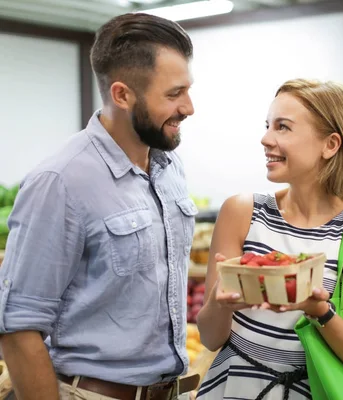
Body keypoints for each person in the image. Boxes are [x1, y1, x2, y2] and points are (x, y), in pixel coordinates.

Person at [0, 12, 200, 400]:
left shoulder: (168, 165)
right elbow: (17, 326)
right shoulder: (61, 182)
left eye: (188, 90)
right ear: (122, 95)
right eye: (174, 94)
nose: (189, 107)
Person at [195, 79, 343, 399]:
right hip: (231, 389)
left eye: (283, 127)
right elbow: (209, 337)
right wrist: (221, 301)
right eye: (267, 125)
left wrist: (319, 310)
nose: (265, 138)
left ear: (330, 145)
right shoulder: (242, 212)